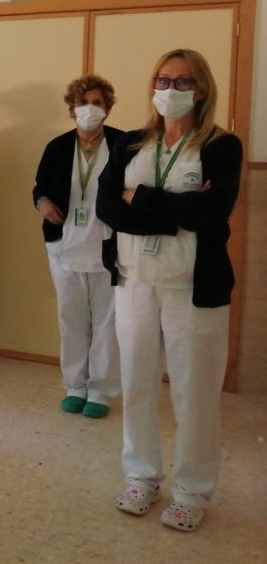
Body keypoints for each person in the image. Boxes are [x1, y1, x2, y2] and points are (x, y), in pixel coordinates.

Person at [96, 48, 241, 532]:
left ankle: (193, 490)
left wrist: (140, 197)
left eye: (183, 82)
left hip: (191, 289)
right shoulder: (132, 143)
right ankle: (141, 475)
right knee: (136, 383)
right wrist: (175, 208)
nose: (171, 90)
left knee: (193, 392)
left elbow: (210, 213)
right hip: (135, 282)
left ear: (201, 90)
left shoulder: (221, 146)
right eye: (163, 80)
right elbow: (107, 208)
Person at [33, 75, 123, 417]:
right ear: (72, 108)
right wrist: (42, 202)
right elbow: (39, 188)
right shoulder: (57, 147)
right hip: (64, 245)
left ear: (107, 108)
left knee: (106, 322)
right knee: (71, 319)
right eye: (83, 102)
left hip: (107, 246)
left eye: (98, 103)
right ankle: (75, 385)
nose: (90, 109)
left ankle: (101, 390)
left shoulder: (123, 145)